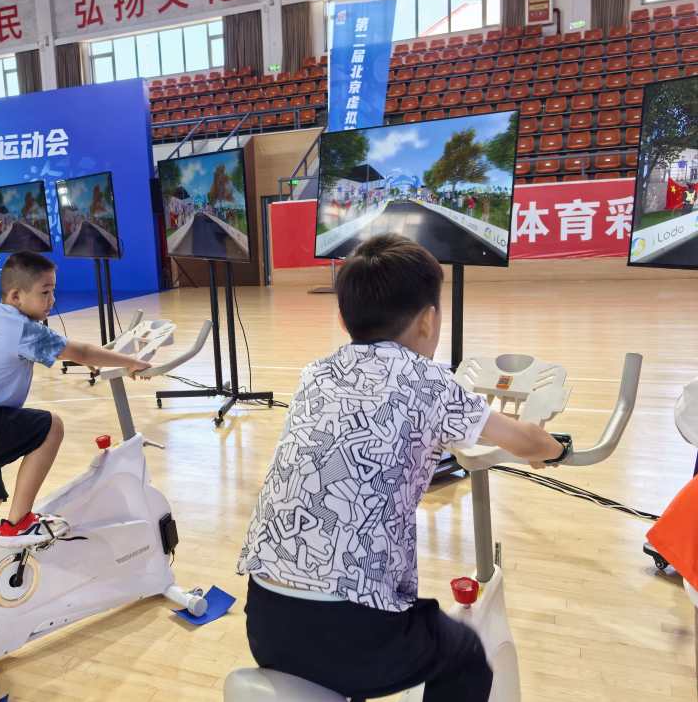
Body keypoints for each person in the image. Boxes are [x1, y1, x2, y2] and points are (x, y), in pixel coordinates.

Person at [235, 234, 564, 702]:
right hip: (354, 635)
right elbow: (526, 441)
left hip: (267, 624)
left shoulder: (315, 373)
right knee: (464, 653)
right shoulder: (429, 380)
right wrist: (555, 450)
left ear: (345, 317)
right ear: (428, 320)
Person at [0, 251, 152, 604]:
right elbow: (81, 352)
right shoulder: (20, 328)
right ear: (16, 296)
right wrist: (132, 362)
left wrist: (99, 358)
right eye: (45, 292)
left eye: (53, 291)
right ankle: (18, 523)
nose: (52, 300)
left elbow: (71, 351)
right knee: (49, 426)